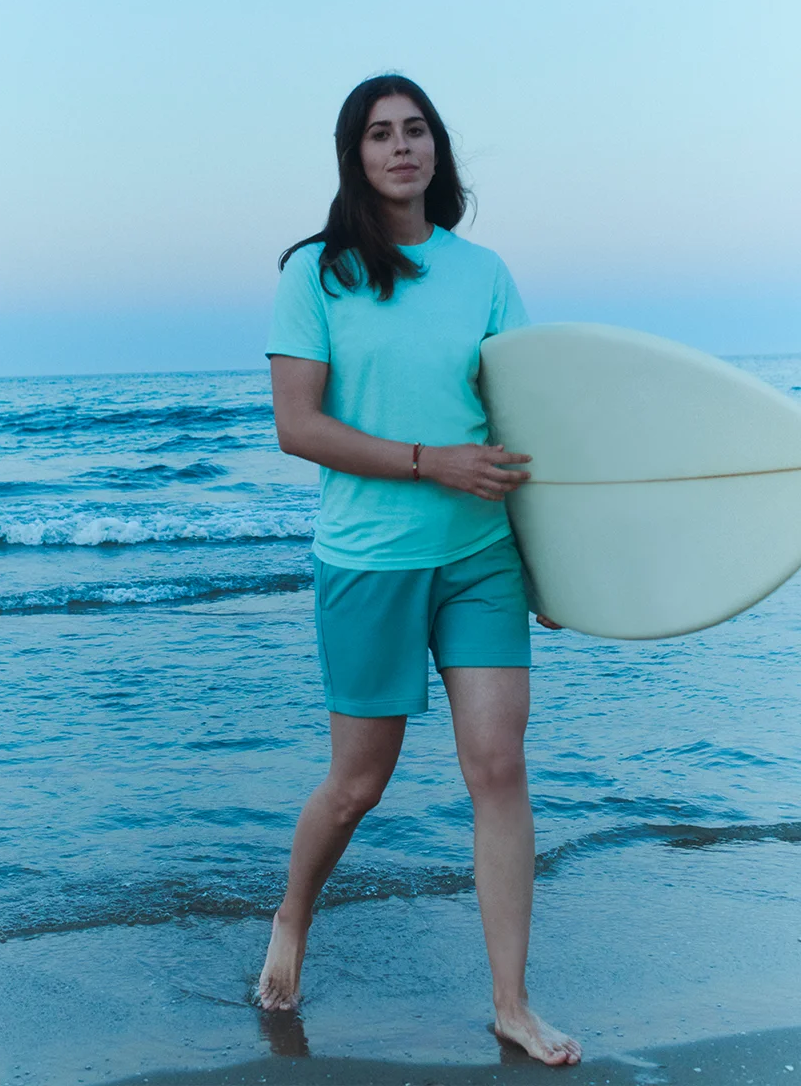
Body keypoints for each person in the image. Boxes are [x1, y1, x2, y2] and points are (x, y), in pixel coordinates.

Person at [259, 74, 581, 1068]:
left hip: (481, 556)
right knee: (359, 783)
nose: (400, 147)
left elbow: (526, 419)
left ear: (437, 150)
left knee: (499, 767)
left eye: (415, 131)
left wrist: (562, 561)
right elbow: (297, 426)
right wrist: (429, 461)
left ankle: (512, 1004)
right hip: (369, 562)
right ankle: (292, 920)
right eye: (378, 134)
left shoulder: (482, 272)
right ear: (354, 156)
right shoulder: (317, 273)